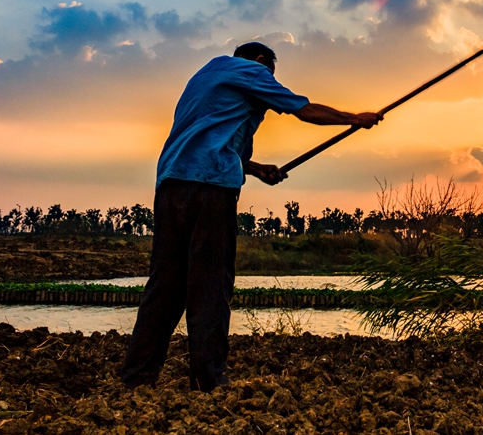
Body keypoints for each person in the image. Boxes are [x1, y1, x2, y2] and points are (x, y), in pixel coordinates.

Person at [120, 41, 380, 391]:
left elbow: (214, 141)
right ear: (260, 62)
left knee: (165, 286)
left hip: (171, 186)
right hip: (210, 190)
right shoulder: (252, 70)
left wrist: (257, 170)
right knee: (210, 285)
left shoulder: (205, 76)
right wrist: (354, 119)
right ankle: (209, 381)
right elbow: (302, 109)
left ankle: (136, 378)